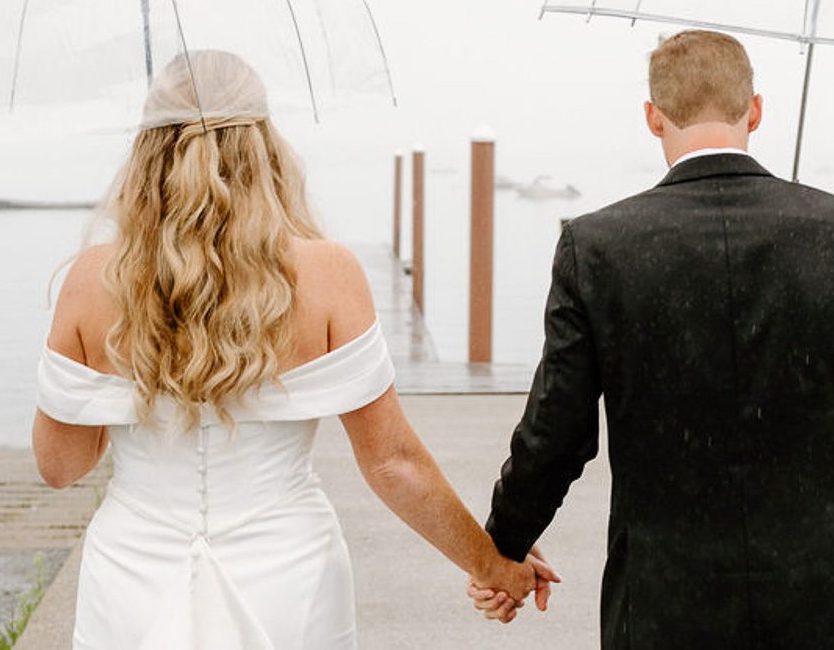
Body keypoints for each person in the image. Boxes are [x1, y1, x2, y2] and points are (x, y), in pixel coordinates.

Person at [33, 50, 551, 648]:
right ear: (264, 149)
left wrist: (127, 370)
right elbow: (393, 464)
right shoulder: (329, 273)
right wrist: (491, 562)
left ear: (148, 158)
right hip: (289, 579)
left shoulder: (91, 281)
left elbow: (59, 466)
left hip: (131, 580)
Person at [470, 29, 834, 646]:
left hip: (665, 602)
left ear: (653, 119)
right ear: (757, 110)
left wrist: (502, 546)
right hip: (818, 599)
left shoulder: (599, 246)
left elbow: (556, 437)